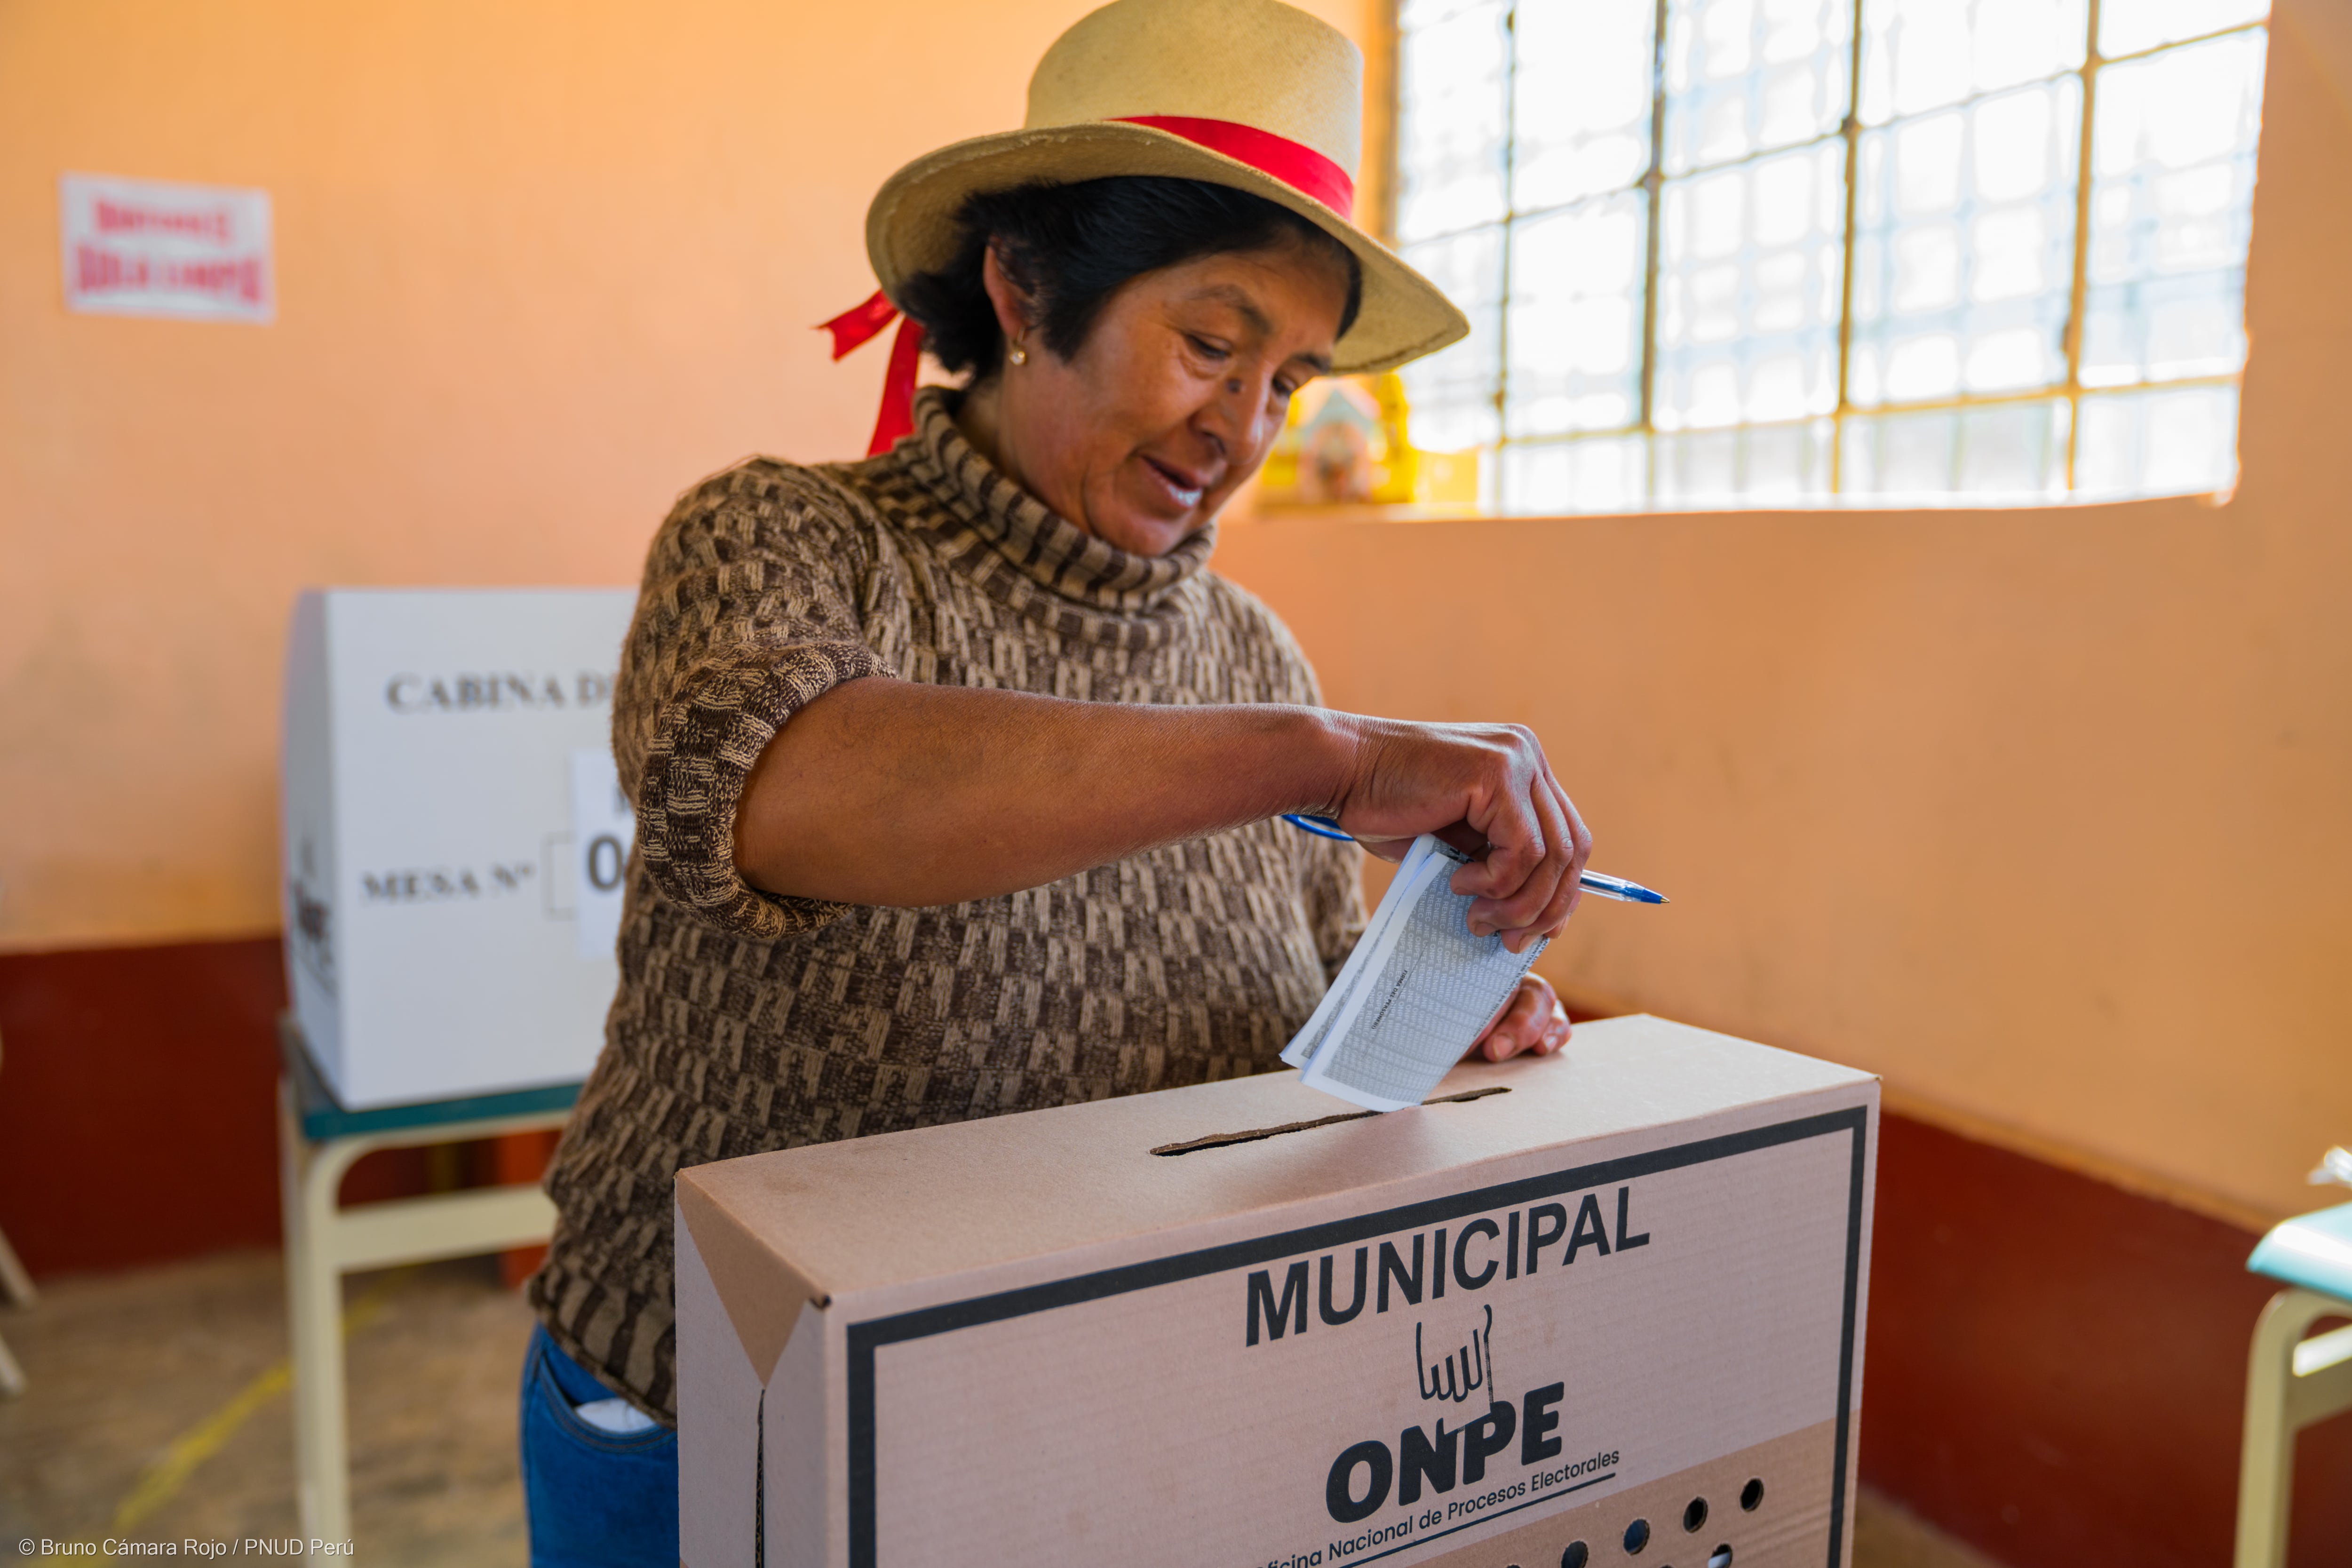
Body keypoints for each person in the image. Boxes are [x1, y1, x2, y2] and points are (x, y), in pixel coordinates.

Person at [516, 0, 1592, 1559]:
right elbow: (791, 789)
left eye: (1286, 383)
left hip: (1093, 1415)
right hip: (727, 1408)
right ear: (1024, 290)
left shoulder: (1253, 654)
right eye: (1210, 346)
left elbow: (1277, 1000)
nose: (1240, 434)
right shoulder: (785, 546)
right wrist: (1327, 758)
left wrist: (1431, 1011)